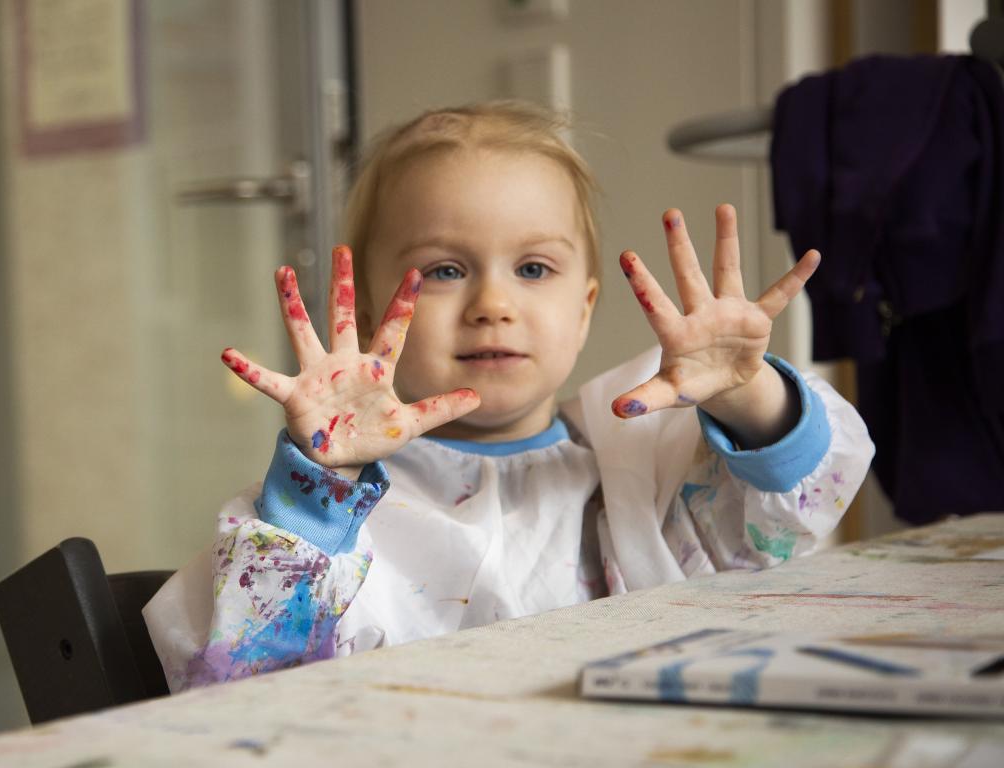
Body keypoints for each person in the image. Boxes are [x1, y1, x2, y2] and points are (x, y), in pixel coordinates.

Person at [144, 101, 874, 693]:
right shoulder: (329, 510)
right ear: (368, 318)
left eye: (532, 267)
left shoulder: (644, 475)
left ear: (585, 308)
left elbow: (786, 515)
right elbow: (247, 674)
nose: (493, 302)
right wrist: (316, 481)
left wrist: (748, 396)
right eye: (443, 270)